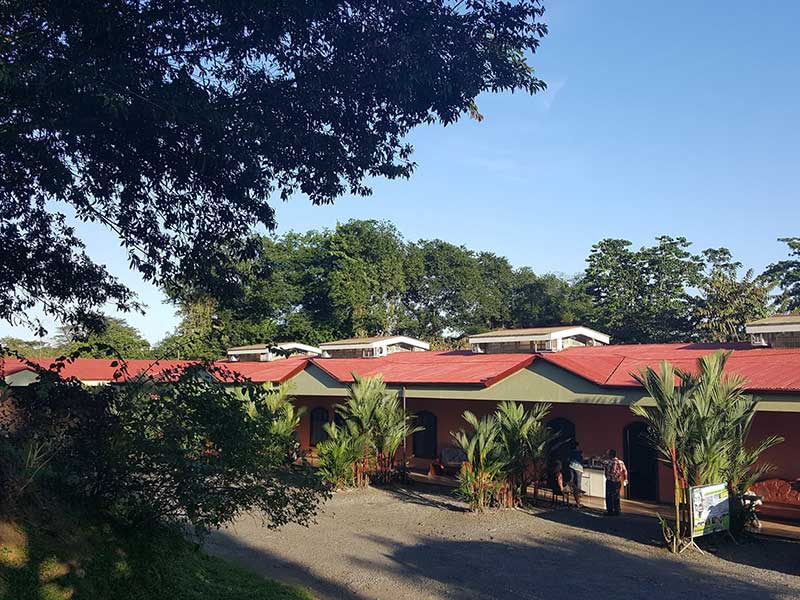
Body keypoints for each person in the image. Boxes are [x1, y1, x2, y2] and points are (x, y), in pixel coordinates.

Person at [603, 449, 628, 516]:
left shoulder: (607, 462)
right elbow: (625, 471)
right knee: (616, 495)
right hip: (618, 481)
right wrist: (625, 479)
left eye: (608, 454)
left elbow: (605, 471)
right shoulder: (621, 462)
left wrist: (607, 476)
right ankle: (617, 510)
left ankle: (610, 510)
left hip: (610, 480)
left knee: (609, 495)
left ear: (610, 455)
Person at [568, 441, 584, 508]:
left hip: (571, 466)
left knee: (572, 482)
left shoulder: (570, 452)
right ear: (577, 446)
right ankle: (578, 500)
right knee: (578, 484)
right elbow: (581, 460)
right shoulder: (579, 453)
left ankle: (571, 493)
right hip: (578, 469)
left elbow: (569, 459)